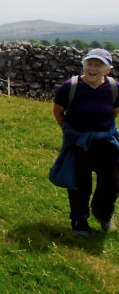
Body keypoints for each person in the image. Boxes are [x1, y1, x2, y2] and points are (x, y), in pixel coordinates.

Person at [52, 48, 119, 238]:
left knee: (112, 183)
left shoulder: (114, 88)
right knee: (79, 185)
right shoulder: (70, 86)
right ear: (84, 65)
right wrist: (69, 131)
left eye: (99, 65)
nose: (93, 68)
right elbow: (58, 112)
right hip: (79, 143)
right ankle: (79, 221)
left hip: (106, 142)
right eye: (90, 64)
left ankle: (103, 214)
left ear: (107, 69)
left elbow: (114, 112)